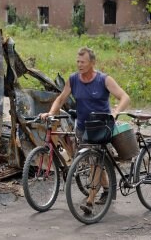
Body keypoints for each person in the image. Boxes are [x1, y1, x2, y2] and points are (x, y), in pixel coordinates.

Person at [39, 46, 130, 214]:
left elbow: (125, 97)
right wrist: (51, 112)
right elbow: (60, 99)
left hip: (101, 128)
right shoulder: (73, 80)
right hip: (82, 128)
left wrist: (116, 112)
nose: (79, 65)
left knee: (96, 162)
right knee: (93, 161)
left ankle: (90, 201)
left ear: (92, 63)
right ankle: (108, 189)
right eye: (78, 62)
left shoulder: (104, 79)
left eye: (83, 62)